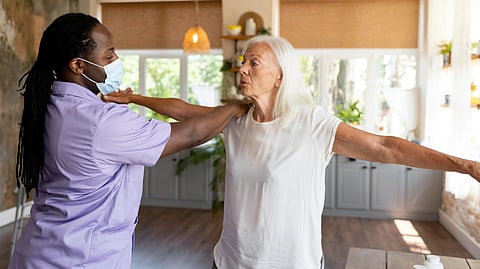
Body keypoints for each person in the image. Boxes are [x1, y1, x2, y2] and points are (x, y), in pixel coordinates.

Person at [103, 35, 480, 269]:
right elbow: (184, 110)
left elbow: (387, 147)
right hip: (230, 261)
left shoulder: (312, 124)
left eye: (254, 63)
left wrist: (462, 165)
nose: (242, 71)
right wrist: (134, 97)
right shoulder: (235, 119)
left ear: (280, 76)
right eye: (242, 62)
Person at [8, 13, 249, 269]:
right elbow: (192, 133)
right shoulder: (100, 121)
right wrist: (235, 108)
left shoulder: (50, 104)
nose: (116, 61)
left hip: (38, 250)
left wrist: (135, 98)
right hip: (79, 259)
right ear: (78, 66)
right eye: (109, 56)